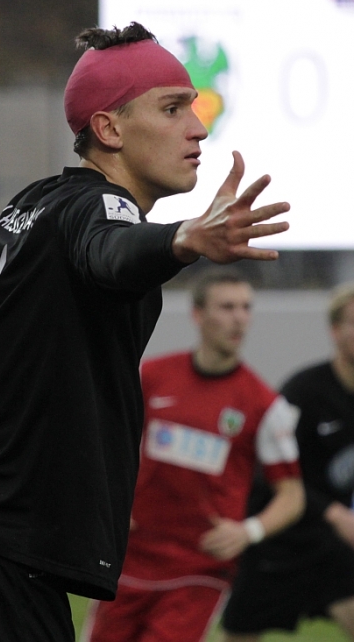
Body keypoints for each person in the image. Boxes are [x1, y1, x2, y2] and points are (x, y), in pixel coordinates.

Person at [0, 22, 291, 642]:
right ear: (109, 129)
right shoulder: (102, 207)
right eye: (173, 109)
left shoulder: (36, 205)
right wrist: (183, 239)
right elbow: (111, 252)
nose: (198, 128)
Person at [82, 269, 304, 642]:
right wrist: (110, 502)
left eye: (246, 307)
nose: (239, 318)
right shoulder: (151, 377)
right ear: (198, 314)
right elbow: (103, 443)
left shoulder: (265, 405)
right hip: (130, 558)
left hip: (200, 568)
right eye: (227, 307)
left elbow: (292, 494)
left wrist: (248, 531)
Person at [220, 281, 354, 642]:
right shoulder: (303, 392)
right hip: (277, 541)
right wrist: (336, 513)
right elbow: (268, 473)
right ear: (336, 331)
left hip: (330, 542)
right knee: (239, 636)